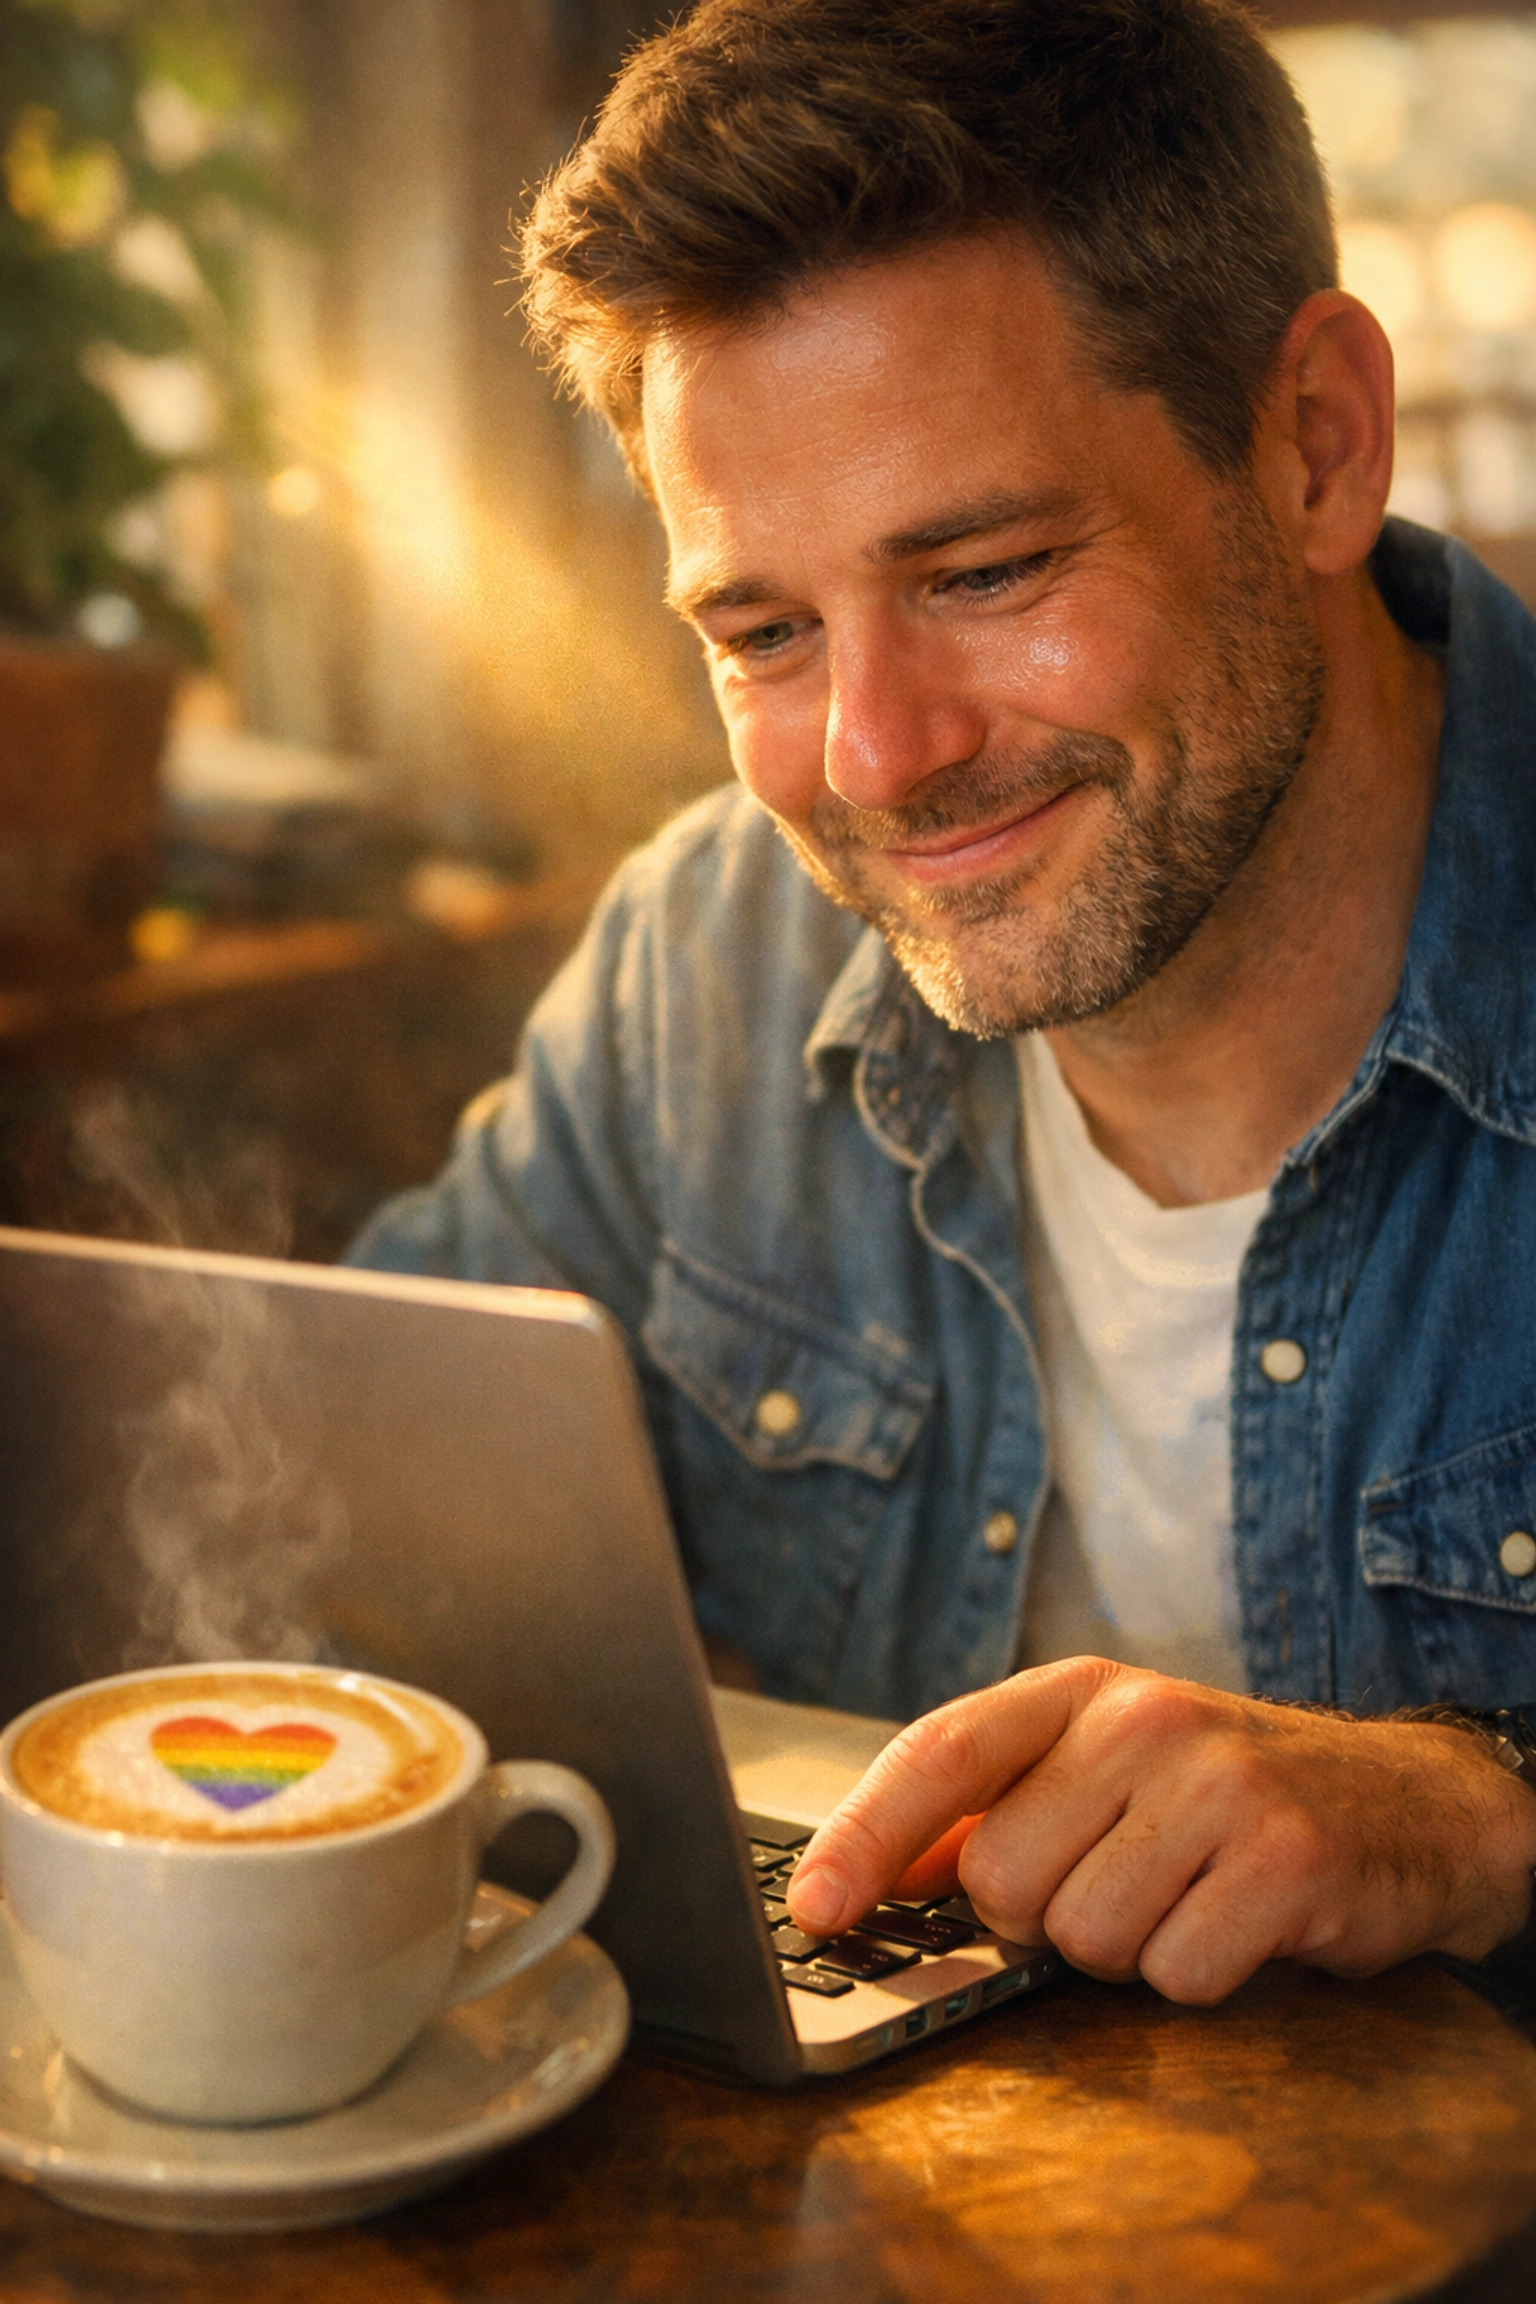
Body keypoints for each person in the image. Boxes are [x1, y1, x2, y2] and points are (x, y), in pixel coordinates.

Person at [349, 0, 1536, 2008]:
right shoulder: (706, 963)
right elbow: (351, 1496)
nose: (878, 759)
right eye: (764, 630)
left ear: (1318, 444)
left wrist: (1483, 1811)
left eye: (985, 571)